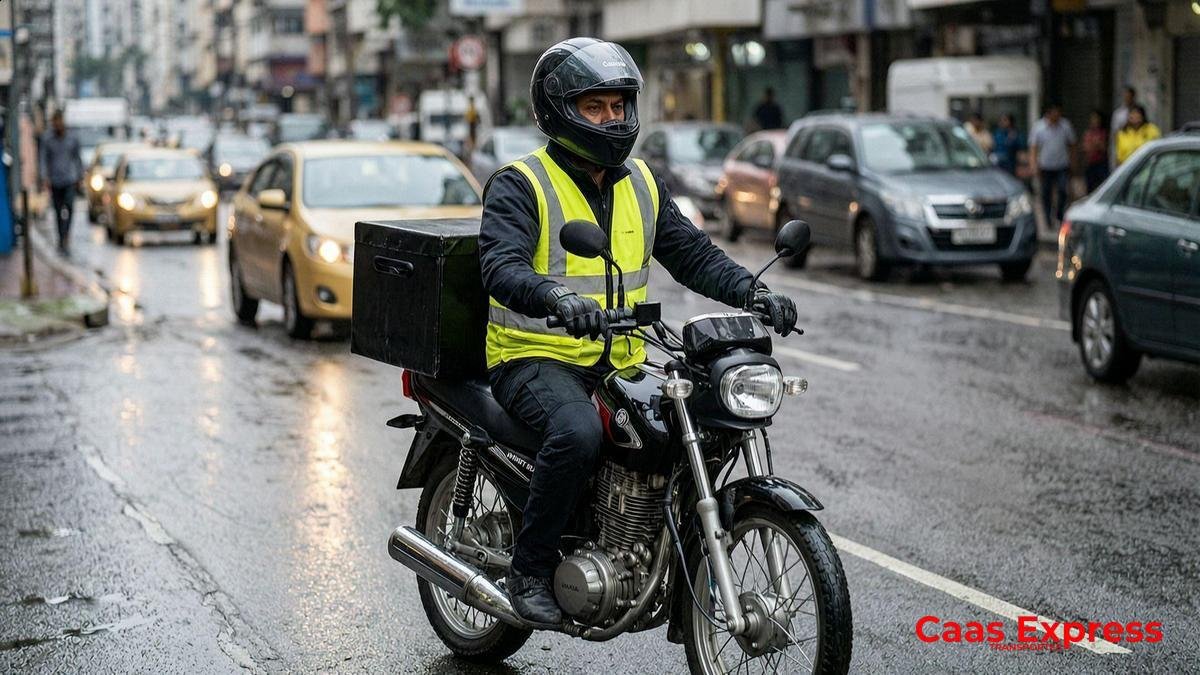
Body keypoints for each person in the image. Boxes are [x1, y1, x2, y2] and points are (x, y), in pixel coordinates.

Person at [478, 37, 797, 628]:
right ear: (559, 111)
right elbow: (501, 266)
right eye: (594, 107)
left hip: (619, 358)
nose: (611, 118)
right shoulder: (521, 183)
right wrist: (556, 297)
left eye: (618, 105)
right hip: (533, 355)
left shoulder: (643, 182)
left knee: (684, 421)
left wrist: (753, 292)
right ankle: (529, 571)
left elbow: (693, 254)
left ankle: (642, 545)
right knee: (577, 432)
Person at [38, 110, 83, 256]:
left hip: (70, 179)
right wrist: (45, 177)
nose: (57, 124)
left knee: (69, 207)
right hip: (55, 180)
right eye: (55, 122)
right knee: (58, 211)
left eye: (59, 121)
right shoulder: (47, 139)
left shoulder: (72, 138)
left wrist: (79, 177)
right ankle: (61, 237)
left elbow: (77, 158)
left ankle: (66, 235)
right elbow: (43, 159)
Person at [1029, 103, 1076, 231]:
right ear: (1048, 113)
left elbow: (1072, 145)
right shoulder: (1039, 128)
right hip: (1045, 167)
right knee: (1046, 194)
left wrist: (1073, 162)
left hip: (1062, 165)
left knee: (1063, 190)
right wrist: (1033, 165)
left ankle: (1059, 215)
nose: (1057, 116)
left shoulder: (1065, 126)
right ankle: (1048, 219)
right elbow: (1033, 148)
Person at [1082, 110, 1110, 193]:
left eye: (1096, 119)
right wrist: (1095, 144)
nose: (1094, 121)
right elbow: (1086, 148)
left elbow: (1104, 148)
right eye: (1093, 119)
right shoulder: (1088, 133)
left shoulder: (1103, 132)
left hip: (1101, 163)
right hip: (1090, 163)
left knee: (1102, 187)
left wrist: (1096, 144)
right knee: (1089, 188)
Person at [1110, 86, 1136, 167]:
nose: (1127, 98)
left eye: (1129, 96)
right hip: (1123, 148)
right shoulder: (1118, 114)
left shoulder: (1138, 111)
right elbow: (1115, 133)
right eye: (1126, 96)